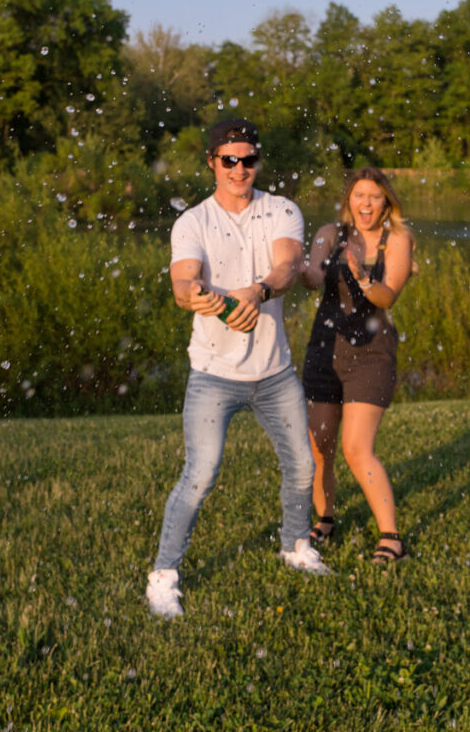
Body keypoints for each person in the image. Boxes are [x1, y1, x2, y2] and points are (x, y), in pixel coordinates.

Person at [146, 118, 329, 620]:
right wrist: (203, 298)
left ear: (258, 163)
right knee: (199, 476)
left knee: (301, 468)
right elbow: (184, 284)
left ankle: (295, 547)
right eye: (229, 160)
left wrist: (257, 292)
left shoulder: (281, 209)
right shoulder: (193, 223)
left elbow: (289, 266)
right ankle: (163, 576)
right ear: (212, 163)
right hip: (212, 375)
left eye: (248, 160)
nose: (239, 169)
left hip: (275, 374)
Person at [299, 167, 414, 564]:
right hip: (324, 350)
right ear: (348, 199)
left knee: (355, 449)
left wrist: (364, 277)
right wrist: (300, 268)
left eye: (375, 196)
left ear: (386, 202)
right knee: (319, 448)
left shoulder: (398, 239)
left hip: (372, 354)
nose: (366, 204)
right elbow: (314, 276)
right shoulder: (329, 234)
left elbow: (387, 297)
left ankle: (392, 538)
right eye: (359, 195)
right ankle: (326, 520)